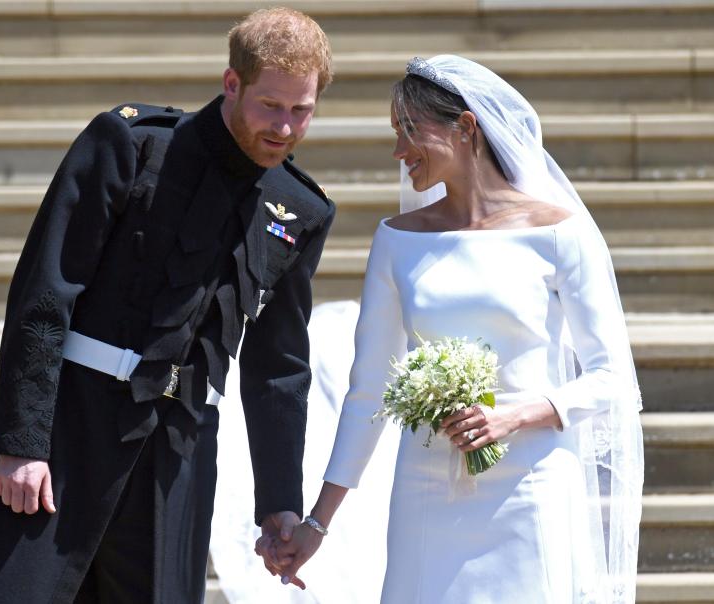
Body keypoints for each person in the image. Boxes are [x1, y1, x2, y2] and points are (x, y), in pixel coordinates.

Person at [0, 8, 335, 603]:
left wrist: (278, 502)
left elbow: (279, 367)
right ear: (232, 84)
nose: (285, 127)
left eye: (301, 111)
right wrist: (22, 442)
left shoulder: (298, 209)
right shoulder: (132, 146)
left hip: (180, 454)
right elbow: (44, 297)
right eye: (270, 106)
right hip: (73, 428)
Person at [261, 55, 645, 603]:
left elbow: (612, 381)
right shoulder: (396, 240)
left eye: (411, 132)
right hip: (424, 493)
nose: (399, 152)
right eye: (396, 134)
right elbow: (368, 392)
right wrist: (317, 524)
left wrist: (511, 415)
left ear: (465, 128)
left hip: (529, 489)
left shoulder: (561, 234)